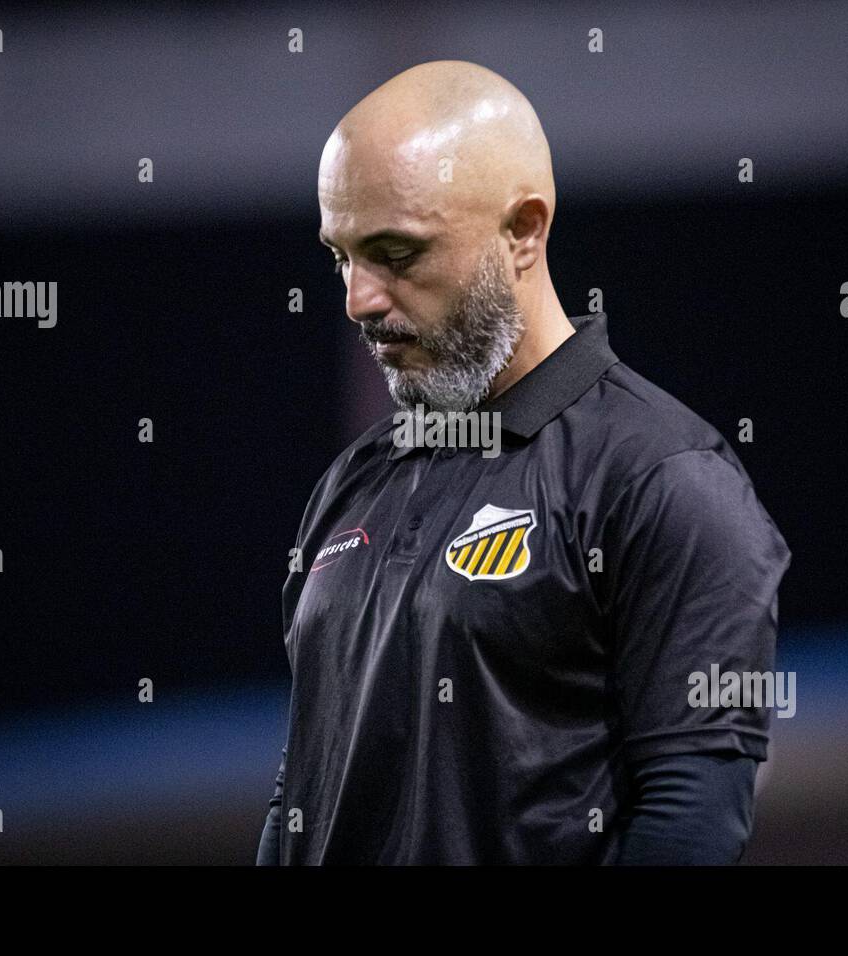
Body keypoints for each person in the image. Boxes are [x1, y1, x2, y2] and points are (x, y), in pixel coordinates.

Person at [256, 60, 791, 864]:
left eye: (396, 253)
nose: (357, 299)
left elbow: (691, 822)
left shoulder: (663, 480)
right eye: (341, 255)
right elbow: (300, 789)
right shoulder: (350, 485)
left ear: (525, 232)